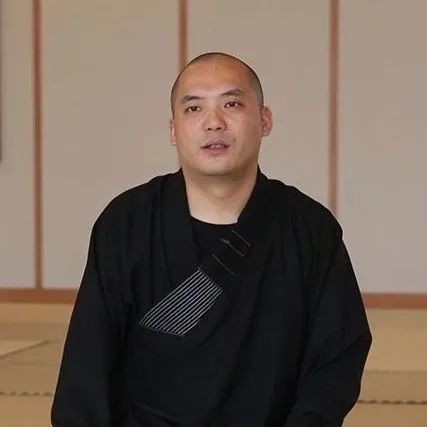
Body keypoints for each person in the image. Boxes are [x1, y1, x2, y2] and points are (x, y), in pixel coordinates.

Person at [51, 52, 371, 426]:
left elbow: (335, 359)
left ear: (264, 120)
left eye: (231, 104)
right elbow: (88, 360)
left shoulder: (309, 228)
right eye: (194, 109)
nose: (213, 122)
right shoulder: (127, 223)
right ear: (173, 130)